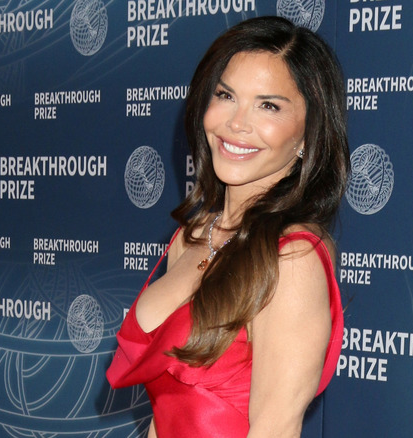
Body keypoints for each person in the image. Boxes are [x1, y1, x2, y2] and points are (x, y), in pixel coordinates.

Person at [107, 15, 350, 437]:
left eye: (268, 105)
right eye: (226, 95)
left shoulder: (292, 258)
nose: (237, 123)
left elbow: (274, 428)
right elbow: (165, 413)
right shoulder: (193, 236)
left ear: (308, 135)